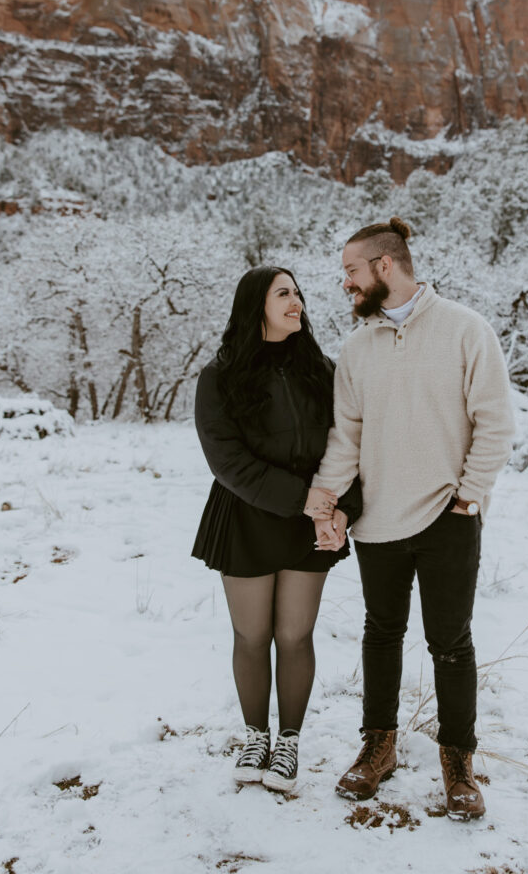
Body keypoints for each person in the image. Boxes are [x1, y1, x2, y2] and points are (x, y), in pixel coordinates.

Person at [311, 218, 515, 820]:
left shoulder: (465, 330)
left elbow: (495, 424)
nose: (343, 282)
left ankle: (458, 763)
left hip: (448, 516)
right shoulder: (355, 348)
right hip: (377, 519)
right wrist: (327, 502)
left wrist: (469, 496)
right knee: (381, 633)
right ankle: (379, 749)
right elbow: (344, 436)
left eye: (351, 270)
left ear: (384, 266)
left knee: (450, 643)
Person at [192, 265, 361, 793]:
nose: (298, 303)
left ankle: (287, 741)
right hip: (245, 515)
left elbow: (350, 446)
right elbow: (227, 461)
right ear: (255, 305)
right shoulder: (219, 375)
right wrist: (304, 499)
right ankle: (254, 736)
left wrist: (342, 511)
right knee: (252, 633)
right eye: (283, 293)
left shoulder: (323, 370)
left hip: (310, 521)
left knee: (294, 634)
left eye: (299, 294)